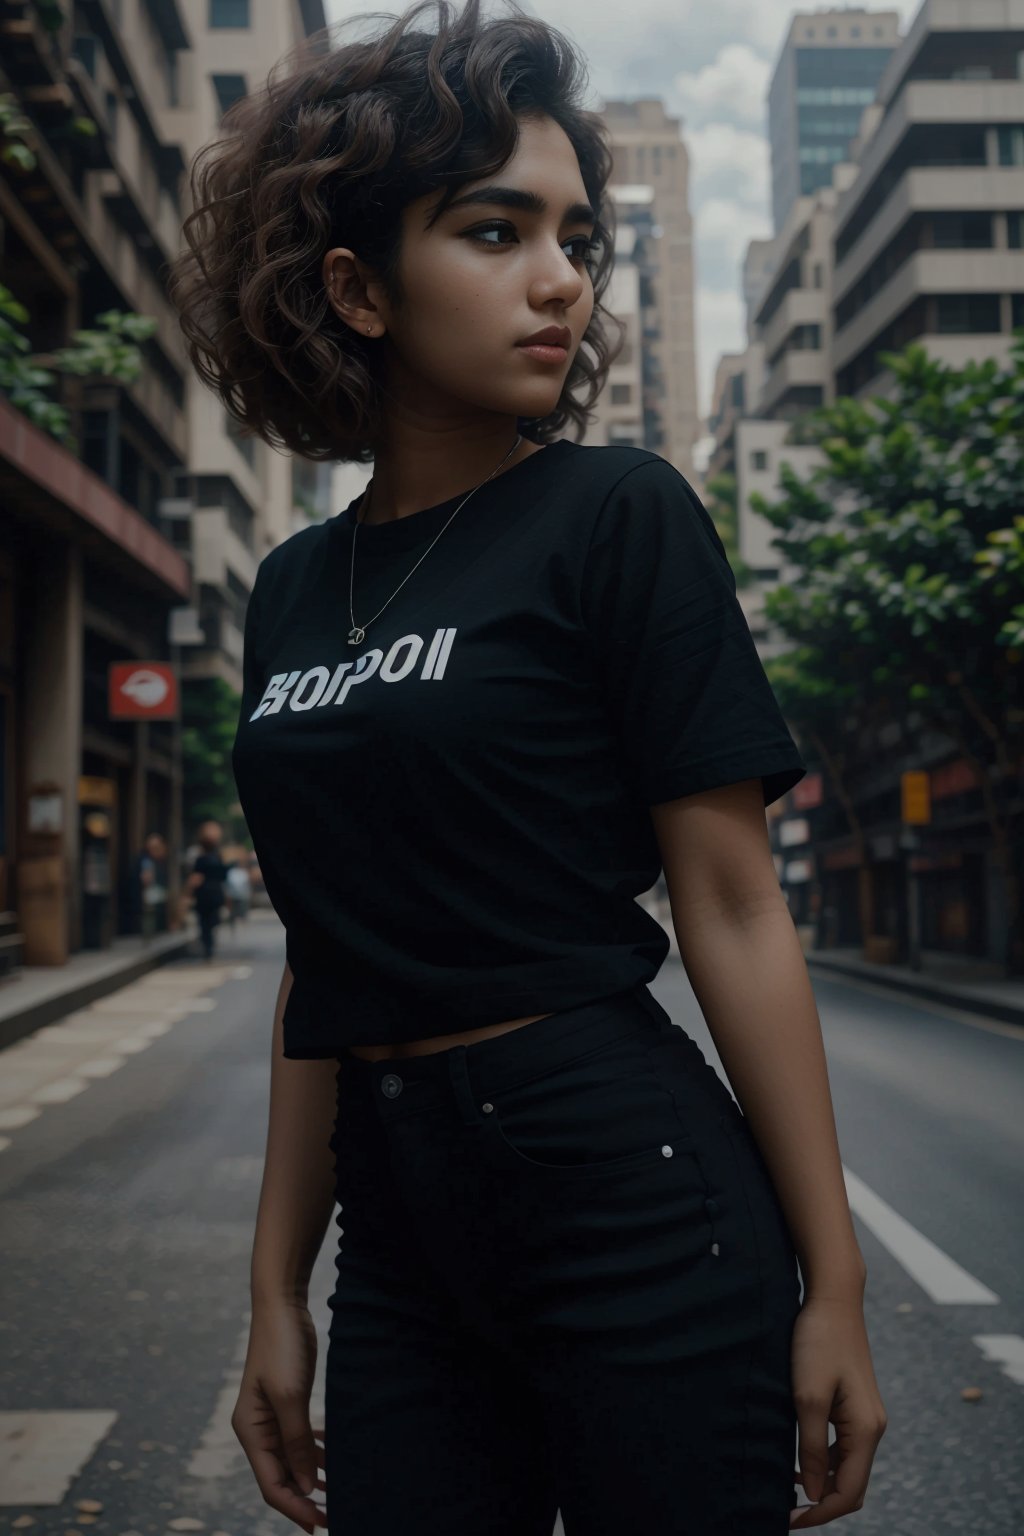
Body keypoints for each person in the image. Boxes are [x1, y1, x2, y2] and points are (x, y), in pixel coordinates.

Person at [169, 3, 887, 1531]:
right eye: (496, 231)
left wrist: (837, 1282)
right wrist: (275, 1291)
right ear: (357, 286)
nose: (560, 276)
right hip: (406, 1232)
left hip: (632, 1199)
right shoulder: (294, 589)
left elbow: (737, 906)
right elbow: (326, 957)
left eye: (575, 236)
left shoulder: (617, 515)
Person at [189, 819, 231, 961]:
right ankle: (209, 945)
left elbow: (196, 878)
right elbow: (224, 877)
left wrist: (188, 893)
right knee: (211, 921)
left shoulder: (200, 860)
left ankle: (208, 946)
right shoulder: (218, 858)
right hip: (215, 895)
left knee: (204, 922)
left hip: (204, 895)